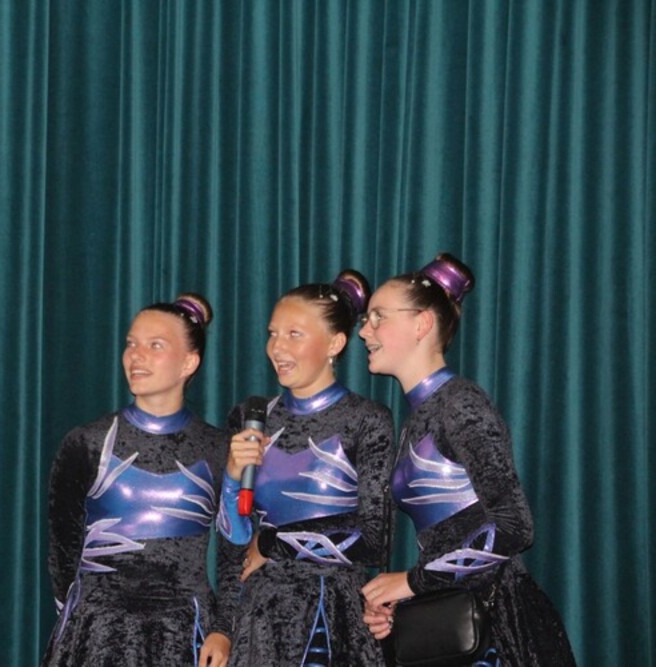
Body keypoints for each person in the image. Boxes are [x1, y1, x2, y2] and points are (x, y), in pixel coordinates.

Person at [359, 253, 576, 665]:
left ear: (422, 324)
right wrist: (402, 600)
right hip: (453, 618)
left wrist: (413, 582)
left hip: (496, 626)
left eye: (378, 317)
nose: (364, 331)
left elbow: (514, 526)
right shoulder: (419, 416)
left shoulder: (460, 404)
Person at [42, 293, 236, 667]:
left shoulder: (218, 448)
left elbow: (233, 554)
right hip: (97, 635)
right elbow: (62, 553)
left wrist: (224, 629)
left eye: (155, 345)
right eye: (131, 344)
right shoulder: (86, 443)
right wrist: (78, 627)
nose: (136, 355)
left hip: (184, 636)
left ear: (189, 362)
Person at [216, 271, 396, 666]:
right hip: (260, 620)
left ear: (335, 343)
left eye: (294, 334)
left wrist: (274, 542)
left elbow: (373, 537)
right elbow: (235, 543)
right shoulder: (251, 417)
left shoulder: (366, 419)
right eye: (273, 334)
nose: (277, 347)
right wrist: (231, 479)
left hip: (332, 616)